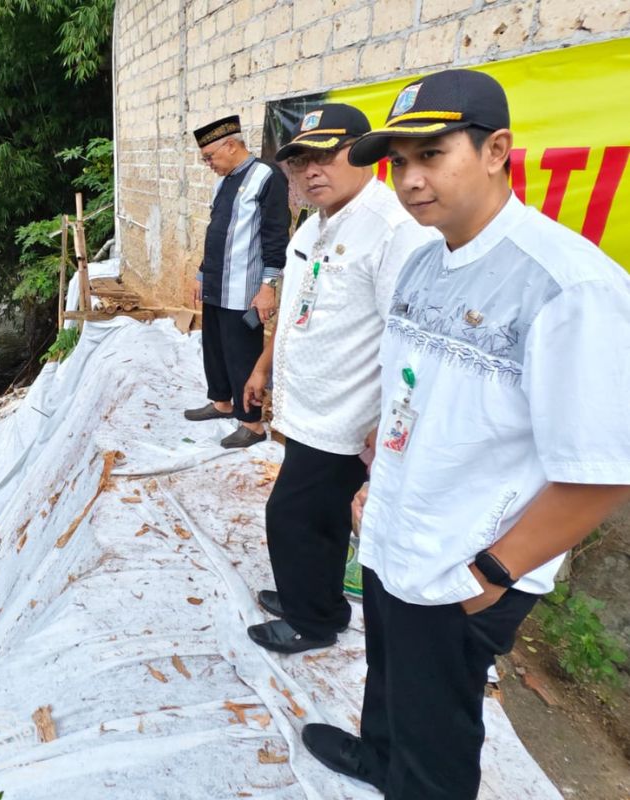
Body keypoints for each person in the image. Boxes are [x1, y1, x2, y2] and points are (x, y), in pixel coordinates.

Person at [300, 69, 630, 799]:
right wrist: (375, 487)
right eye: (401, 161)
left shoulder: (569, 287)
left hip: (466, 562)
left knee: (438, 733)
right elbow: (413, 396)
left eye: (433, 154)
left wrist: (493, 574)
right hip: (400, 529)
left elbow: (604, 470)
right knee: (389, 674)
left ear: (496, 150)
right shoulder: (424, 260)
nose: (412, 179)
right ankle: (377, 756)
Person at [241, 103, 436, 655]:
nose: (312, 171)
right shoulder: (319, 222)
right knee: (319, 518)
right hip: (308, 407)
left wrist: (387, 419)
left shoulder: (393, 230)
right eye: (301, 161)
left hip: (349, 417)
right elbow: (301, 306)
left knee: (292, 517)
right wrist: (264, 367)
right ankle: (316, 596)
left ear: (364, 153)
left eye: (328, 155)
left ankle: (314, 621)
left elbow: (410, 341)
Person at [183, 115, 289, 449]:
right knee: (213, 346)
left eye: (210, 157)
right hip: (216, 282)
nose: (208, 164)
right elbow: (216, 233)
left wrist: (268, 286)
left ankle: (252, 424)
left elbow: (275, 235)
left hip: (244, 287)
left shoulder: (266, 177)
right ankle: (221, 402)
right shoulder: (223, 181)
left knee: (242, 353)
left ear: (231, 145)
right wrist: (202, 274)